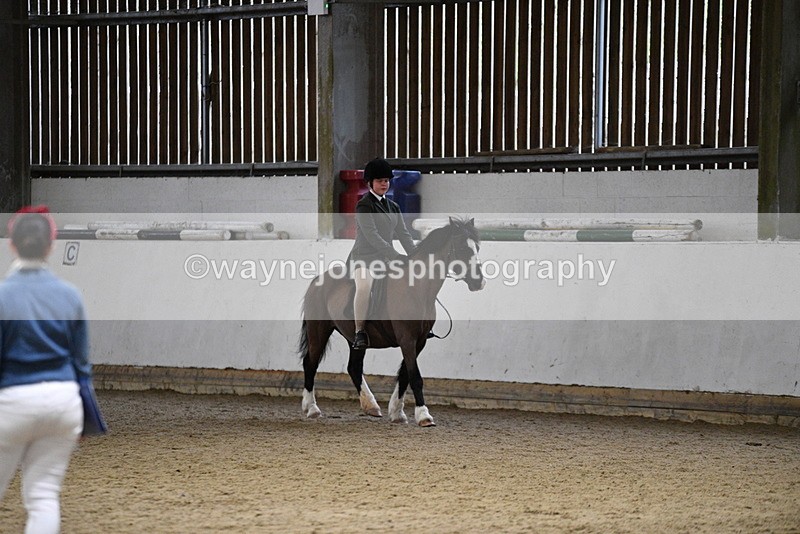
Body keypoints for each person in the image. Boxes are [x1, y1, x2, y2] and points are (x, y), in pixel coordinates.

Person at [0, 207, 90, 534]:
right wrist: (87, 416)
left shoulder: (2, 296)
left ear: (12, 245)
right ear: (50, 247)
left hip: (13, 400)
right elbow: (81, 363)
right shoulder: (70, 296)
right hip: (63, 402)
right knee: (43, 495)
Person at [348, 158, 416, 349]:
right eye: (379, 181)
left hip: (385, 259)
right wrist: (395, 255)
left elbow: (404, 233)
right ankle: (359, 331)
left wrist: (414, 254)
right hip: (364, 259)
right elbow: (372, 236)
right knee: (364, 287)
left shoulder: (393, 207)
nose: (384, 184)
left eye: (386, 180)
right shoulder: (364, 205)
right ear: (370, 183)